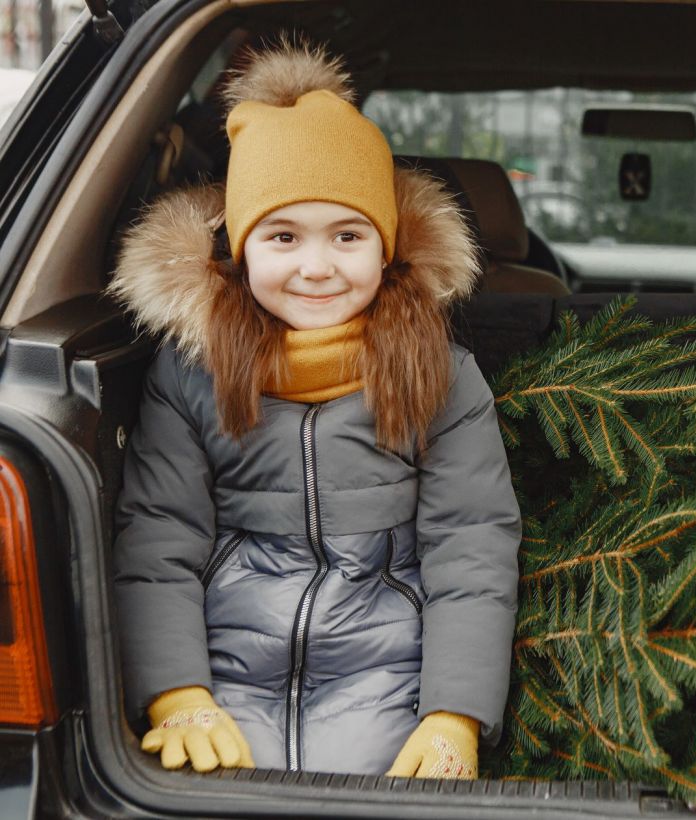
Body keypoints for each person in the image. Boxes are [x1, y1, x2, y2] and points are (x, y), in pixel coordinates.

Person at [108, 39, 521, 779]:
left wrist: (453, 713)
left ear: (387, 246)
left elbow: (472, 548)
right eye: (283, 236)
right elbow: (158, 541)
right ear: (240, 246)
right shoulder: (191, 372)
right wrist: (176, 692)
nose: (317, 265)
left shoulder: (440, 372)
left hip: (389, 668)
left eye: (348, 235)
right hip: (224, 663)